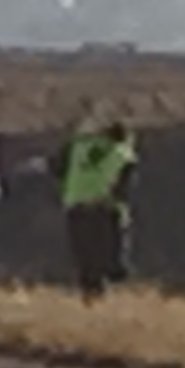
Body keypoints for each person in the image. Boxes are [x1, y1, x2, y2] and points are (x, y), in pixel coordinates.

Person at [57, 117, 139, 294]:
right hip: (103, 208)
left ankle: (91, 298)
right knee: (111, 259)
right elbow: (124, 186)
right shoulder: (122, 152)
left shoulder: (78, 147)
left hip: (75, 205)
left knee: (86, 259)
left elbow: (57, 169)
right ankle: (113, 295)